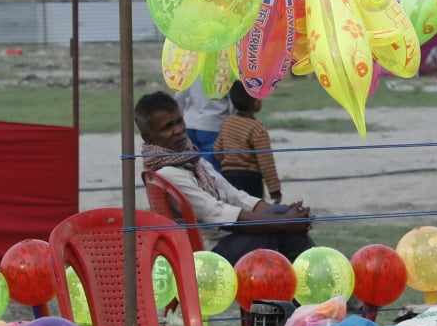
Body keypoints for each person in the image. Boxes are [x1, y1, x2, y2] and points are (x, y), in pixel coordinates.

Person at [134, 90, 312, 264]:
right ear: (148, 137)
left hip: (223, 240)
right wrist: (284, 222)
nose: (179, 130)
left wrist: (284, 214)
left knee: (284, 220)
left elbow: (235, 196)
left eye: (179, 121)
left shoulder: (190, 158)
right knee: (280, 232)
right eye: (168, 127)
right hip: (206, 254)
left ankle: (306, 286)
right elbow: (218, 213)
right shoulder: (168, 173)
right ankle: (312, 288)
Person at [216, 81, 282, 202]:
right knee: (253, 211)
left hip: (228, 177)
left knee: (236, 214)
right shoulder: (257, 128)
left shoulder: (227, 122)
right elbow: (266, 162)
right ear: (256, 102)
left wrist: (230, 162)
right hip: (250, 180)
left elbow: (217, 150)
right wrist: (275, 191)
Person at [176, 78, 229, 168]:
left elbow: (179, 96)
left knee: (189, 166)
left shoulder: (194, 69)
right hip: (213, 126)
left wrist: (180, 117)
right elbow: (233, 101)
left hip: (189, 124)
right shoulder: (225, 71)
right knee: (210, 170)